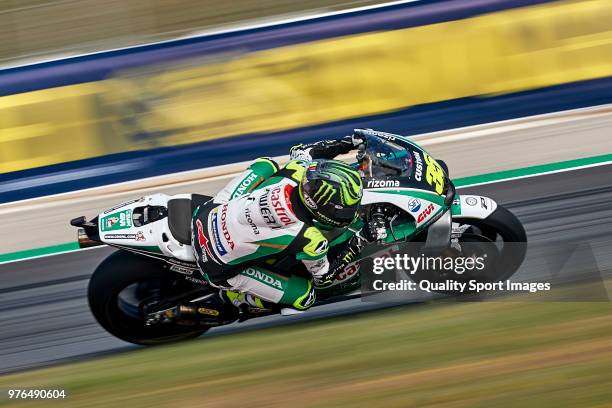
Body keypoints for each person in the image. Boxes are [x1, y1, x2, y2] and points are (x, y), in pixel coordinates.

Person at [190, 132, 382, 317]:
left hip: (206, 214)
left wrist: (349, 142)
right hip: (215, 264)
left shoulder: (296, 172)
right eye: (345, 208)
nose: (351, 211)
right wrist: (361, 239)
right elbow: (325, 279)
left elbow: (305, 150)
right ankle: (235, 298)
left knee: (266, 164)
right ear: (324, 209)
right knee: (305, 297)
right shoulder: (310, 239)